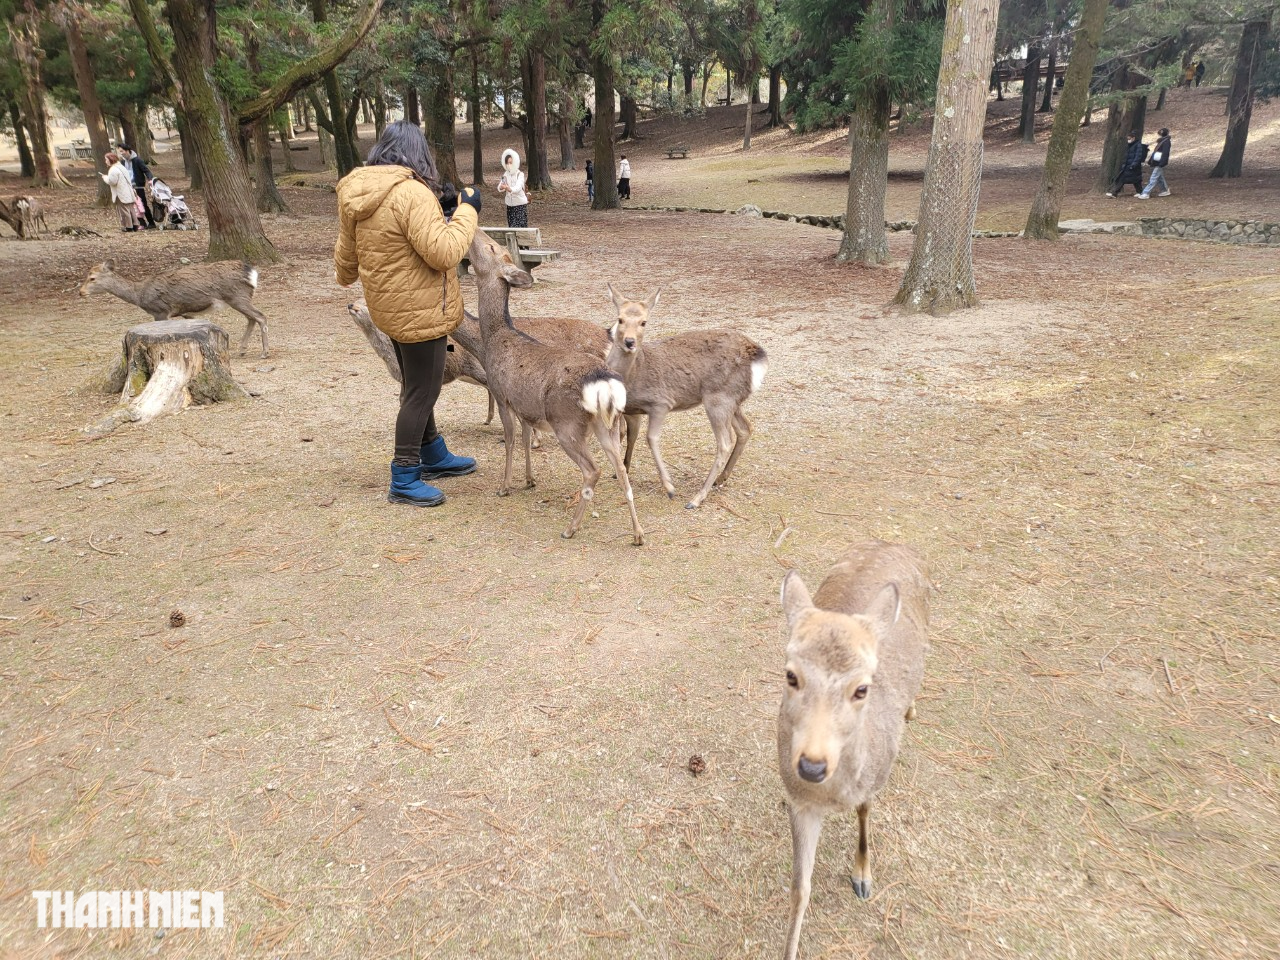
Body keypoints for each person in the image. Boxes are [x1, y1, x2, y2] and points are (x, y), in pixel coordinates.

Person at [333, 121, 482, 507]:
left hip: (389, 309)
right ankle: (404, 476)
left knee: (416, 385)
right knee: (423, 390)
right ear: (418, 155)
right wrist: (467, 211)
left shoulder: (357, 194)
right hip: (420, 311)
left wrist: (440, 214)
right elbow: (445, 252)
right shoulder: (411, 193)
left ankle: (432, 452)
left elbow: (345, 267)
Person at [118, 144, 156, 228]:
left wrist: (150, 179)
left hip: (138, 186)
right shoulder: (123, 162)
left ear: (127, 150)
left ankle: (151, 223)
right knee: (133, 206)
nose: (121, 153)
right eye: (120, 151)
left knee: (142, 204)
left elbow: (146, 171)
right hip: (128, 187)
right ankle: (142, 223)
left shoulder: (137, 160)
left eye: (122, 151)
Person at [102, 151, 139, 232]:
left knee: (124, 211)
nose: (105, 161)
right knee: (131, 209)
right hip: (128, 191)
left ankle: (128, 227)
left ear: (110, 160)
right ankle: (135, 225)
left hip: (120, 193)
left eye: (106, 159)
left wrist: (105, 178)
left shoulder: (113, 169)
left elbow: (112, 181)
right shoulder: (121, 167)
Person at [1105, 132, 1148, 198]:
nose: (1128, 140)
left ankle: (1114, 193)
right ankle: (1140, 191)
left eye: (1129, 138)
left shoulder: (1138, 145)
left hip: (1133, 166)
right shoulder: (1131, 145)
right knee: (1136, 180)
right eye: (1128, 139)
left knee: (1122, 179)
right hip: (1129, 165)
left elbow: (1138, 156)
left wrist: (1133, 164)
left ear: (1133, 138)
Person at [496, 148, 529, 228]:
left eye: (510, 163)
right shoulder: (506, 174)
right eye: (507, 163)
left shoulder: (520, 174)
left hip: (519, 205)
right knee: (511, 226)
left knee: (519, 227)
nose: (509, 165)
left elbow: (518, 188)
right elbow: (500, 186)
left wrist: (509, 188)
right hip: (510, 205)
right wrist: (501, 187)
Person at [1137, 128, 1172, 199]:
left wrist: (1162, 162)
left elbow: (1165, 153)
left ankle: (1146, 193)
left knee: (1153, 177)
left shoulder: (1166, 142)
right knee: (1159, 177)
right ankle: (1164, 190)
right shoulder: (1162, 141)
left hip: (1160, 162)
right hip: (1157, 161)